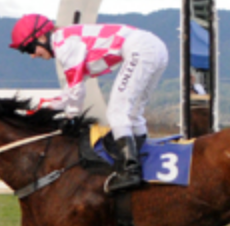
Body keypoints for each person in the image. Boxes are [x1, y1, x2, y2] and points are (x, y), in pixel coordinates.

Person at [9, 14, 169, 192]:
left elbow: (77, 91)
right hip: (155, 48)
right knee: (133, 113)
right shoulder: (65, 40)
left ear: (41, 37)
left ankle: (130, 171)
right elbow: (71, 92)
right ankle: (141, 160)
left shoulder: (63, 45)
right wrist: (44, 108)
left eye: (29, 48)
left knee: (117, 111)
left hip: (141, 48)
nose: (32, 55)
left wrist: (71, 117)